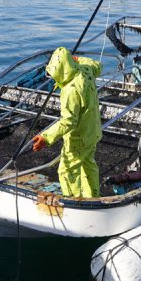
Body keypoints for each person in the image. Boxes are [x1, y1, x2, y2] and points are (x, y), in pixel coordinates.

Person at [32, 47, 103, 198]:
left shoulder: (70, 91)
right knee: (88, 164)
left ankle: (74, 202)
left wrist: (46, 137)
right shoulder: (86, 71)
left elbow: (68, 122)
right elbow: (98, 65)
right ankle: (94, 196)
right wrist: (77, 59)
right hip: (93, 131)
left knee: (66, 170)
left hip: (79, 138)